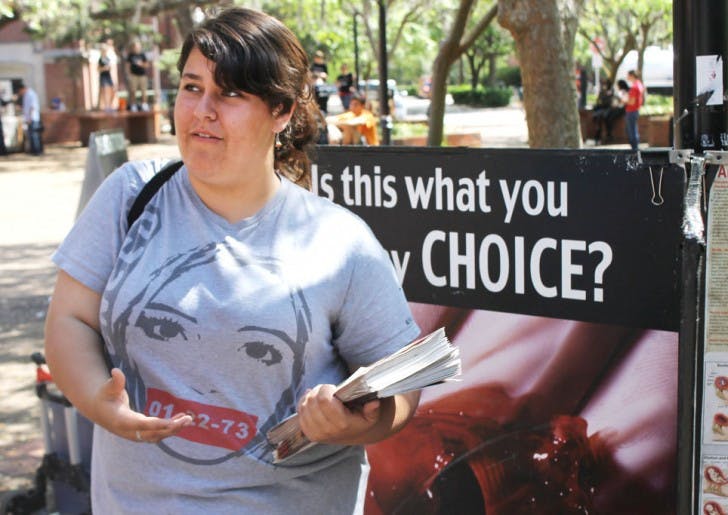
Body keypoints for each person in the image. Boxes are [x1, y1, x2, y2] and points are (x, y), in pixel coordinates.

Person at [44, 7, 420, 514]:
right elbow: (69, 319)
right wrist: (97, 401)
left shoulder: (339, 241)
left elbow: (402, 390)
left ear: (282, 110)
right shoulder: (129, 197)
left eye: (231, 93)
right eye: (192, 87)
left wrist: (358, 422)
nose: (203, 109)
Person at [17, 81, 42, 155]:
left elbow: (32, 107)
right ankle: (33, 151)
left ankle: (37, 151)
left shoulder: (31, 94)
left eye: (20, 91)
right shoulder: (26, 95)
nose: (20, 93)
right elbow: (27, 108)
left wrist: (30, 118)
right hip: (29, 118)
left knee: (34, 135)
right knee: (31, 135)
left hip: (32, 118)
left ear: (23, 89)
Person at [126, 40, 150, 111]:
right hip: (134, 75)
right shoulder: (130, 55)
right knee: (133, 91)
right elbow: (127, 66)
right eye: (136, 46)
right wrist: (129, 75)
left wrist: (141, 64)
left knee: (144, 91)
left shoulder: (142, 55)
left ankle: (144, 105)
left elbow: (147, 65)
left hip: (142, 75)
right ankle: (133, 105)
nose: (137, 47)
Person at [624, 69, 645, 151]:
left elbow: (631, 101)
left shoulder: (634, 87)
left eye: (628, 75)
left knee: (632, 131)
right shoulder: (639, 84)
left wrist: (623, 100)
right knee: (634, 130)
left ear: (632, 75)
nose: (627, 77)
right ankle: (635, 149)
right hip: (635, 110)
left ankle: (634, 149)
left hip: (631, 111)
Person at [98, 43, 115, 112]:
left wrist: (109, 68)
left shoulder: (107, 58)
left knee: (113, 90)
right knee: (104, 91)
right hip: (103, 76)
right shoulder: (100, 59)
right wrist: (104, 68)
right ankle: (106, 106)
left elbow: (110, 67)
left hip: (108, 76)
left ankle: (110, 105)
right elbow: (98, 69)